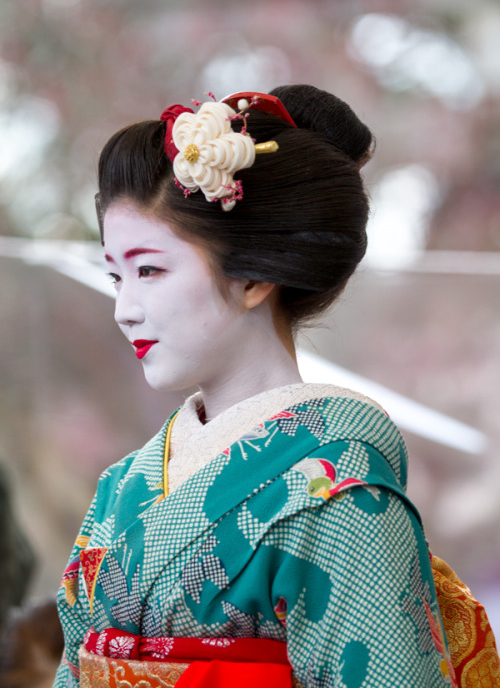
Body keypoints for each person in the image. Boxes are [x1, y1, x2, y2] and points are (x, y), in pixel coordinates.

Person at [54, 84, 470, 687]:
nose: (125, 308)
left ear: (251, 276)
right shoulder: (125, 486)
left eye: (149, 270)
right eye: (115, 276)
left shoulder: (342, 491)